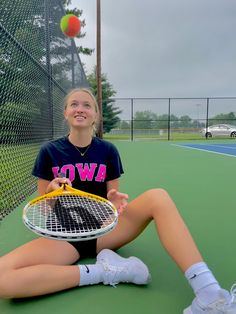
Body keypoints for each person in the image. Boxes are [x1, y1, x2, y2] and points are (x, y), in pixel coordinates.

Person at [0, 88, 235, 314]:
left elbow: (112, 199)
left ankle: (209, 293)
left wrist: (113, 201)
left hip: (105, 230)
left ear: (95, 116)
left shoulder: (108, 150)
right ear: (66, 113)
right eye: (74, 104)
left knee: (158, 196)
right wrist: (51, 193)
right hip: (65, 238)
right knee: (2, 279)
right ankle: (104, 272)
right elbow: (42, 209)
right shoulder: (49, 151)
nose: (79, 109)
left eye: (87, 105)